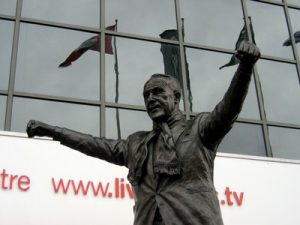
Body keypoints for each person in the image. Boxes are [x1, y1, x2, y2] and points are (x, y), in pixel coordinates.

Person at [26, 41, 260, 225]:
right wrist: (53, 131)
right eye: (147, 95)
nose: (151, 99)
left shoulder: (199, 129)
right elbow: (93, 144)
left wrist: (245, 67)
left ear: (176, 98)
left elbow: (229, 108)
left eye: (158, 93)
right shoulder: (136, 143)